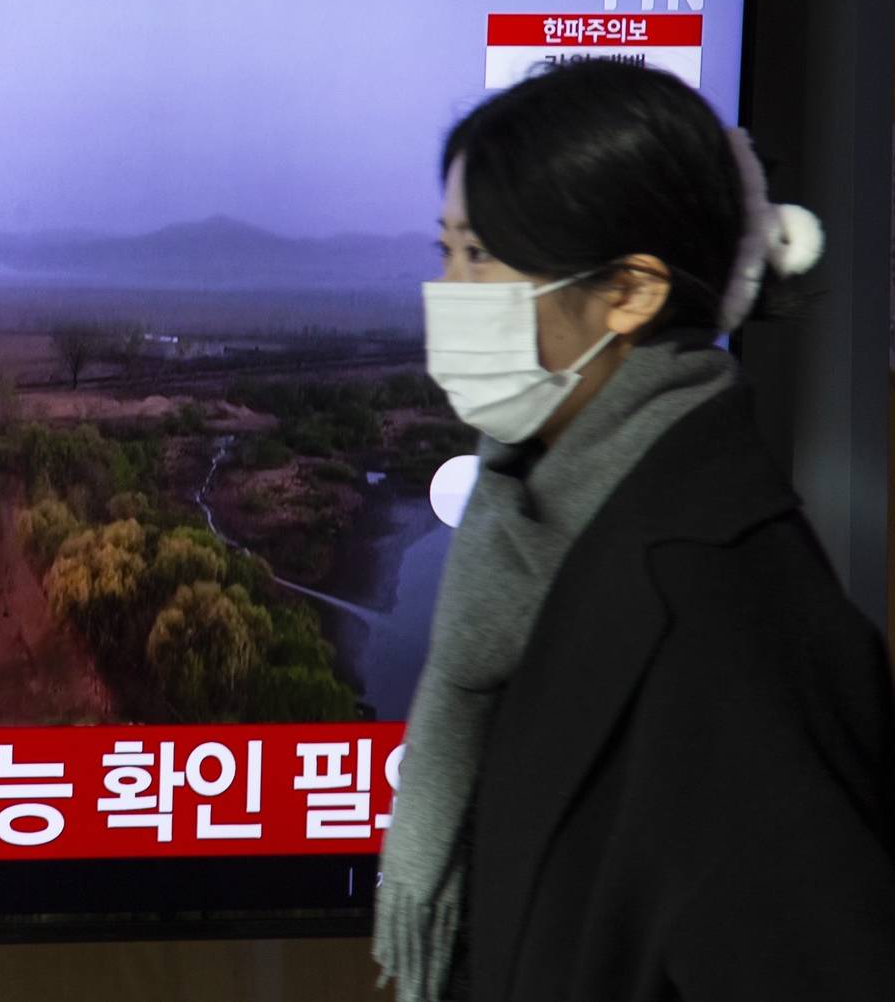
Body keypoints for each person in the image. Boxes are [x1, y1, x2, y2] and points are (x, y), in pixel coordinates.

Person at [371, 58, 895, 1002]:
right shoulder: (536, 527)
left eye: (481, 256)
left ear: (630, 292)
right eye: (445, 248)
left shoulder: (725, 624)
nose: (446, 289)